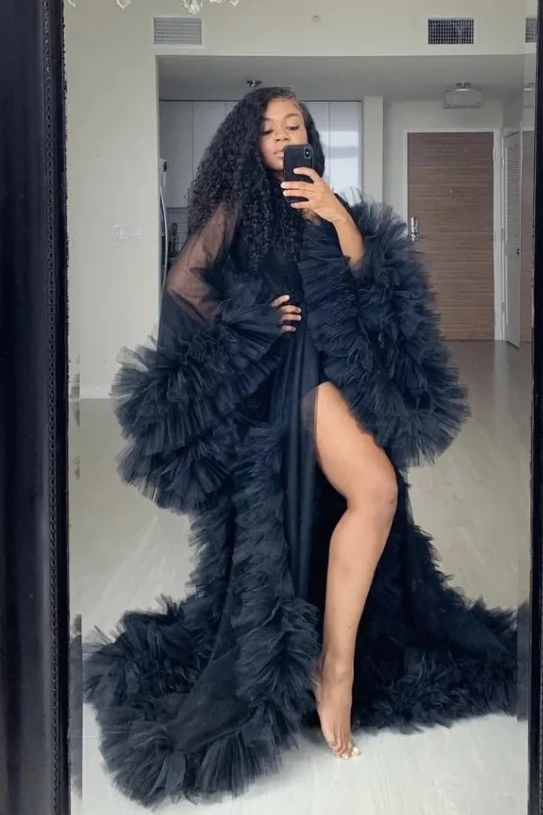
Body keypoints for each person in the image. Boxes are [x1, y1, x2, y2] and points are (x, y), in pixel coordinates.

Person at [84, 87, 518, 806]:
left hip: (336, 372)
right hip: (290, 382)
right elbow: (184, 284)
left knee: (368, 498)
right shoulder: (235, 210)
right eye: (268, 130)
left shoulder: (322, 203)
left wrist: (337, 215)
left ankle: (337, 659)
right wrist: (250, 319)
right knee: (374, 488)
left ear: (309, 136)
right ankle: (333, 668)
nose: (283, 138)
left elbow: (369, 281)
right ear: (249, 145)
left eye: (294, 125)